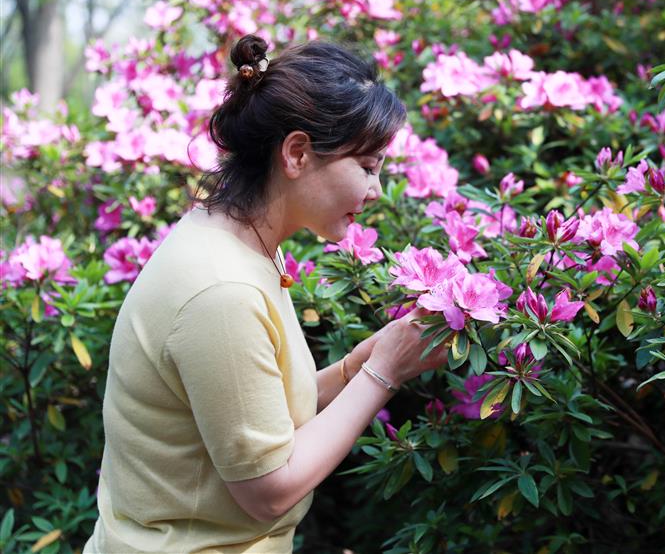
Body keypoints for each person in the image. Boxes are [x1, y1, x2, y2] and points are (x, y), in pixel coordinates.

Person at [84, 34, 448, 553]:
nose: (375, 191)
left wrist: (352, 369)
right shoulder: (221, 290)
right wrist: (382, 374)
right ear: (297, 153)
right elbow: (268, 490)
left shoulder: (236, 241)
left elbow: (252, 412)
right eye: (366, 167)